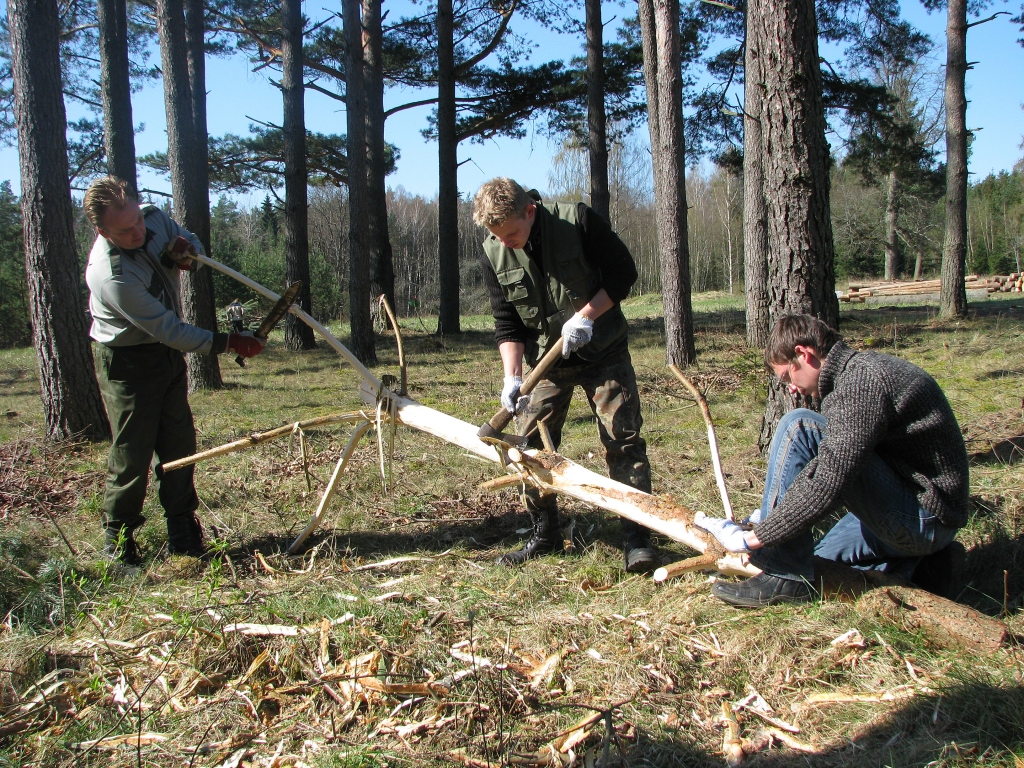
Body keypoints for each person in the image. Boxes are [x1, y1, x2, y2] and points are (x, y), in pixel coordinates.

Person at [695, 314, 969, 607]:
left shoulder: (861, 383)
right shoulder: (855, 376)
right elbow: (830, 466)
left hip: (922, 520)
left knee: (799, 426)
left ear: (804, 354)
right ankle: (926, 569)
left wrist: (753, 540)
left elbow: (830, 480)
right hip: (918, 518)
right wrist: (773, 516)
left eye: (787, 377)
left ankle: (781, 575)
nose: (790, 388)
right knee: (817, 560)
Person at [472, 178, 656, 572]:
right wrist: (512, 377)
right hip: (547, 362)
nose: (504, 242)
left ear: (530, 211)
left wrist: (587, 316)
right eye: (496, 236)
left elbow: (623, 272)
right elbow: (507, 321)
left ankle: (637, 536)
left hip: (603, 350)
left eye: (510, 234)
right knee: (527, 447)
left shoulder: (577, 221)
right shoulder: (494, 252)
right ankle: (545, 533)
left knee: (622, 440)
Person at [84, 176, 266, 567]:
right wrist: (230, 343)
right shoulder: (112, 274)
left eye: (136, 221)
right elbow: (172, 330)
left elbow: (192, 243)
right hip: (129, 363)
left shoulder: (152, 217)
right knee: (133, 452)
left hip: (164, 355)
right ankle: (119, 542)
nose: (137, 232)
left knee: (179, 442)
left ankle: (183, 530)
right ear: (102, 232)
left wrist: (188, 253)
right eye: (123, 230)